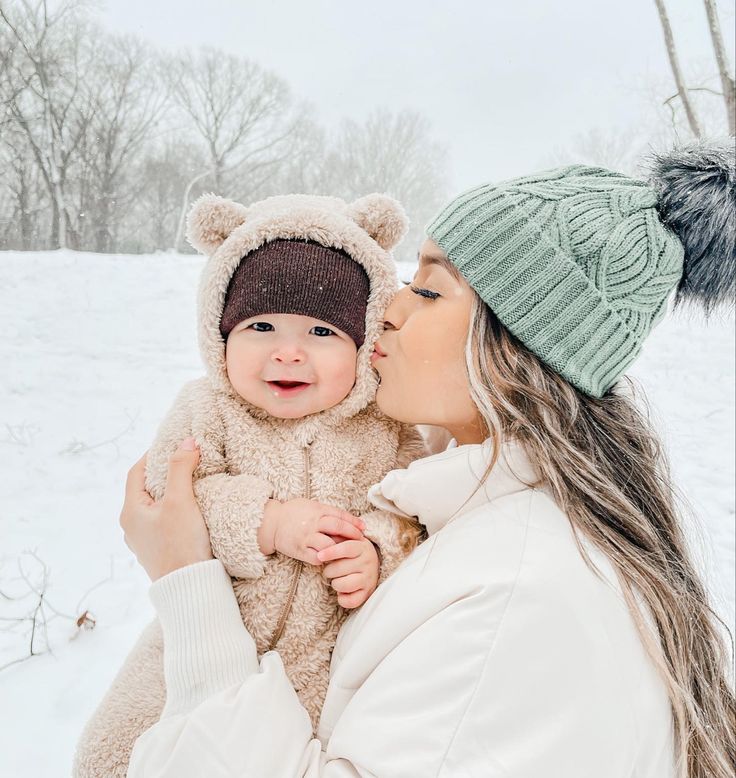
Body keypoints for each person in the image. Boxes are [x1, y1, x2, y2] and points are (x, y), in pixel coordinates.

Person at [121, 143, 735, 777]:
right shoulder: (459, 506)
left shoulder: (519, 600)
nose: (386, 308)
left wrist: (190, 584)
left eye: (430, 291)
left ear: (517, 346)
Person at [73, 193, 426, 777]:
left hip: (322, 656)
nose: (287, 352)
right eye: (260, 326)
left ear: (364, 344)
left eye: (320, 331)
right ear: (220, 333)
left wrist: (376, 551)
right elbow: (168, 493)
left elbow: (411, 510)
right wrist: (268, 522)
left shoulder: (385, 427)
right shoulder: (208, 409)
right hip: (195, 639)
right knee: (112, 756)